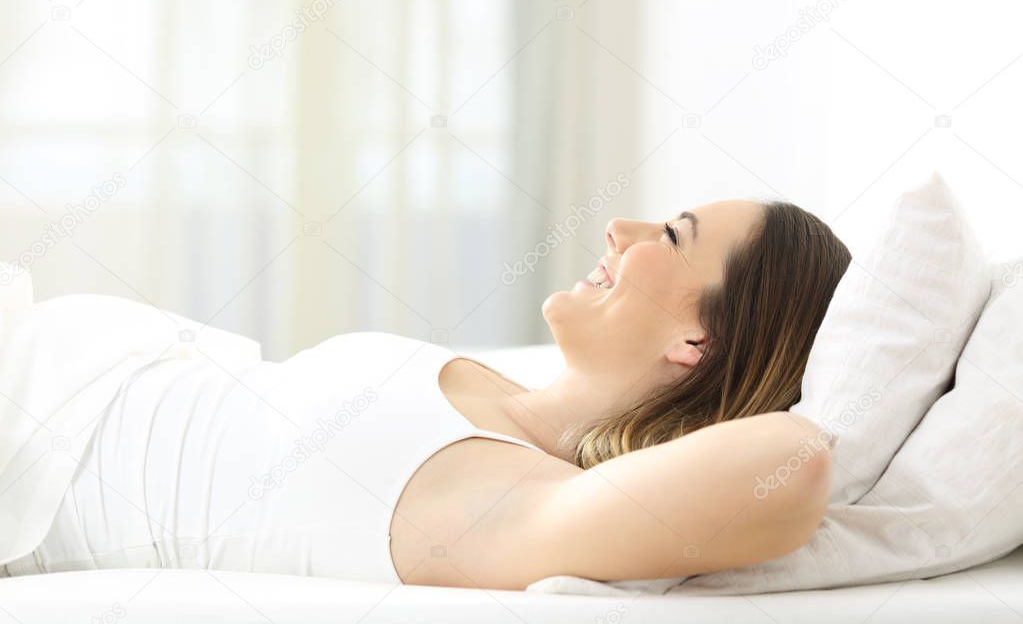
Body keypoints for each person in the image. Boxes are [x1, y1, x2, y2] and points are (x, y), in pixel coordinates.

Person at [0, 199, 851, 590]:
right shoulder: (498, 389)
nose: (619, 231)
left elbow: (794, 459)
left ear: (695, 342)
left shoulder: (512, 504)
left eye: (671, 236)